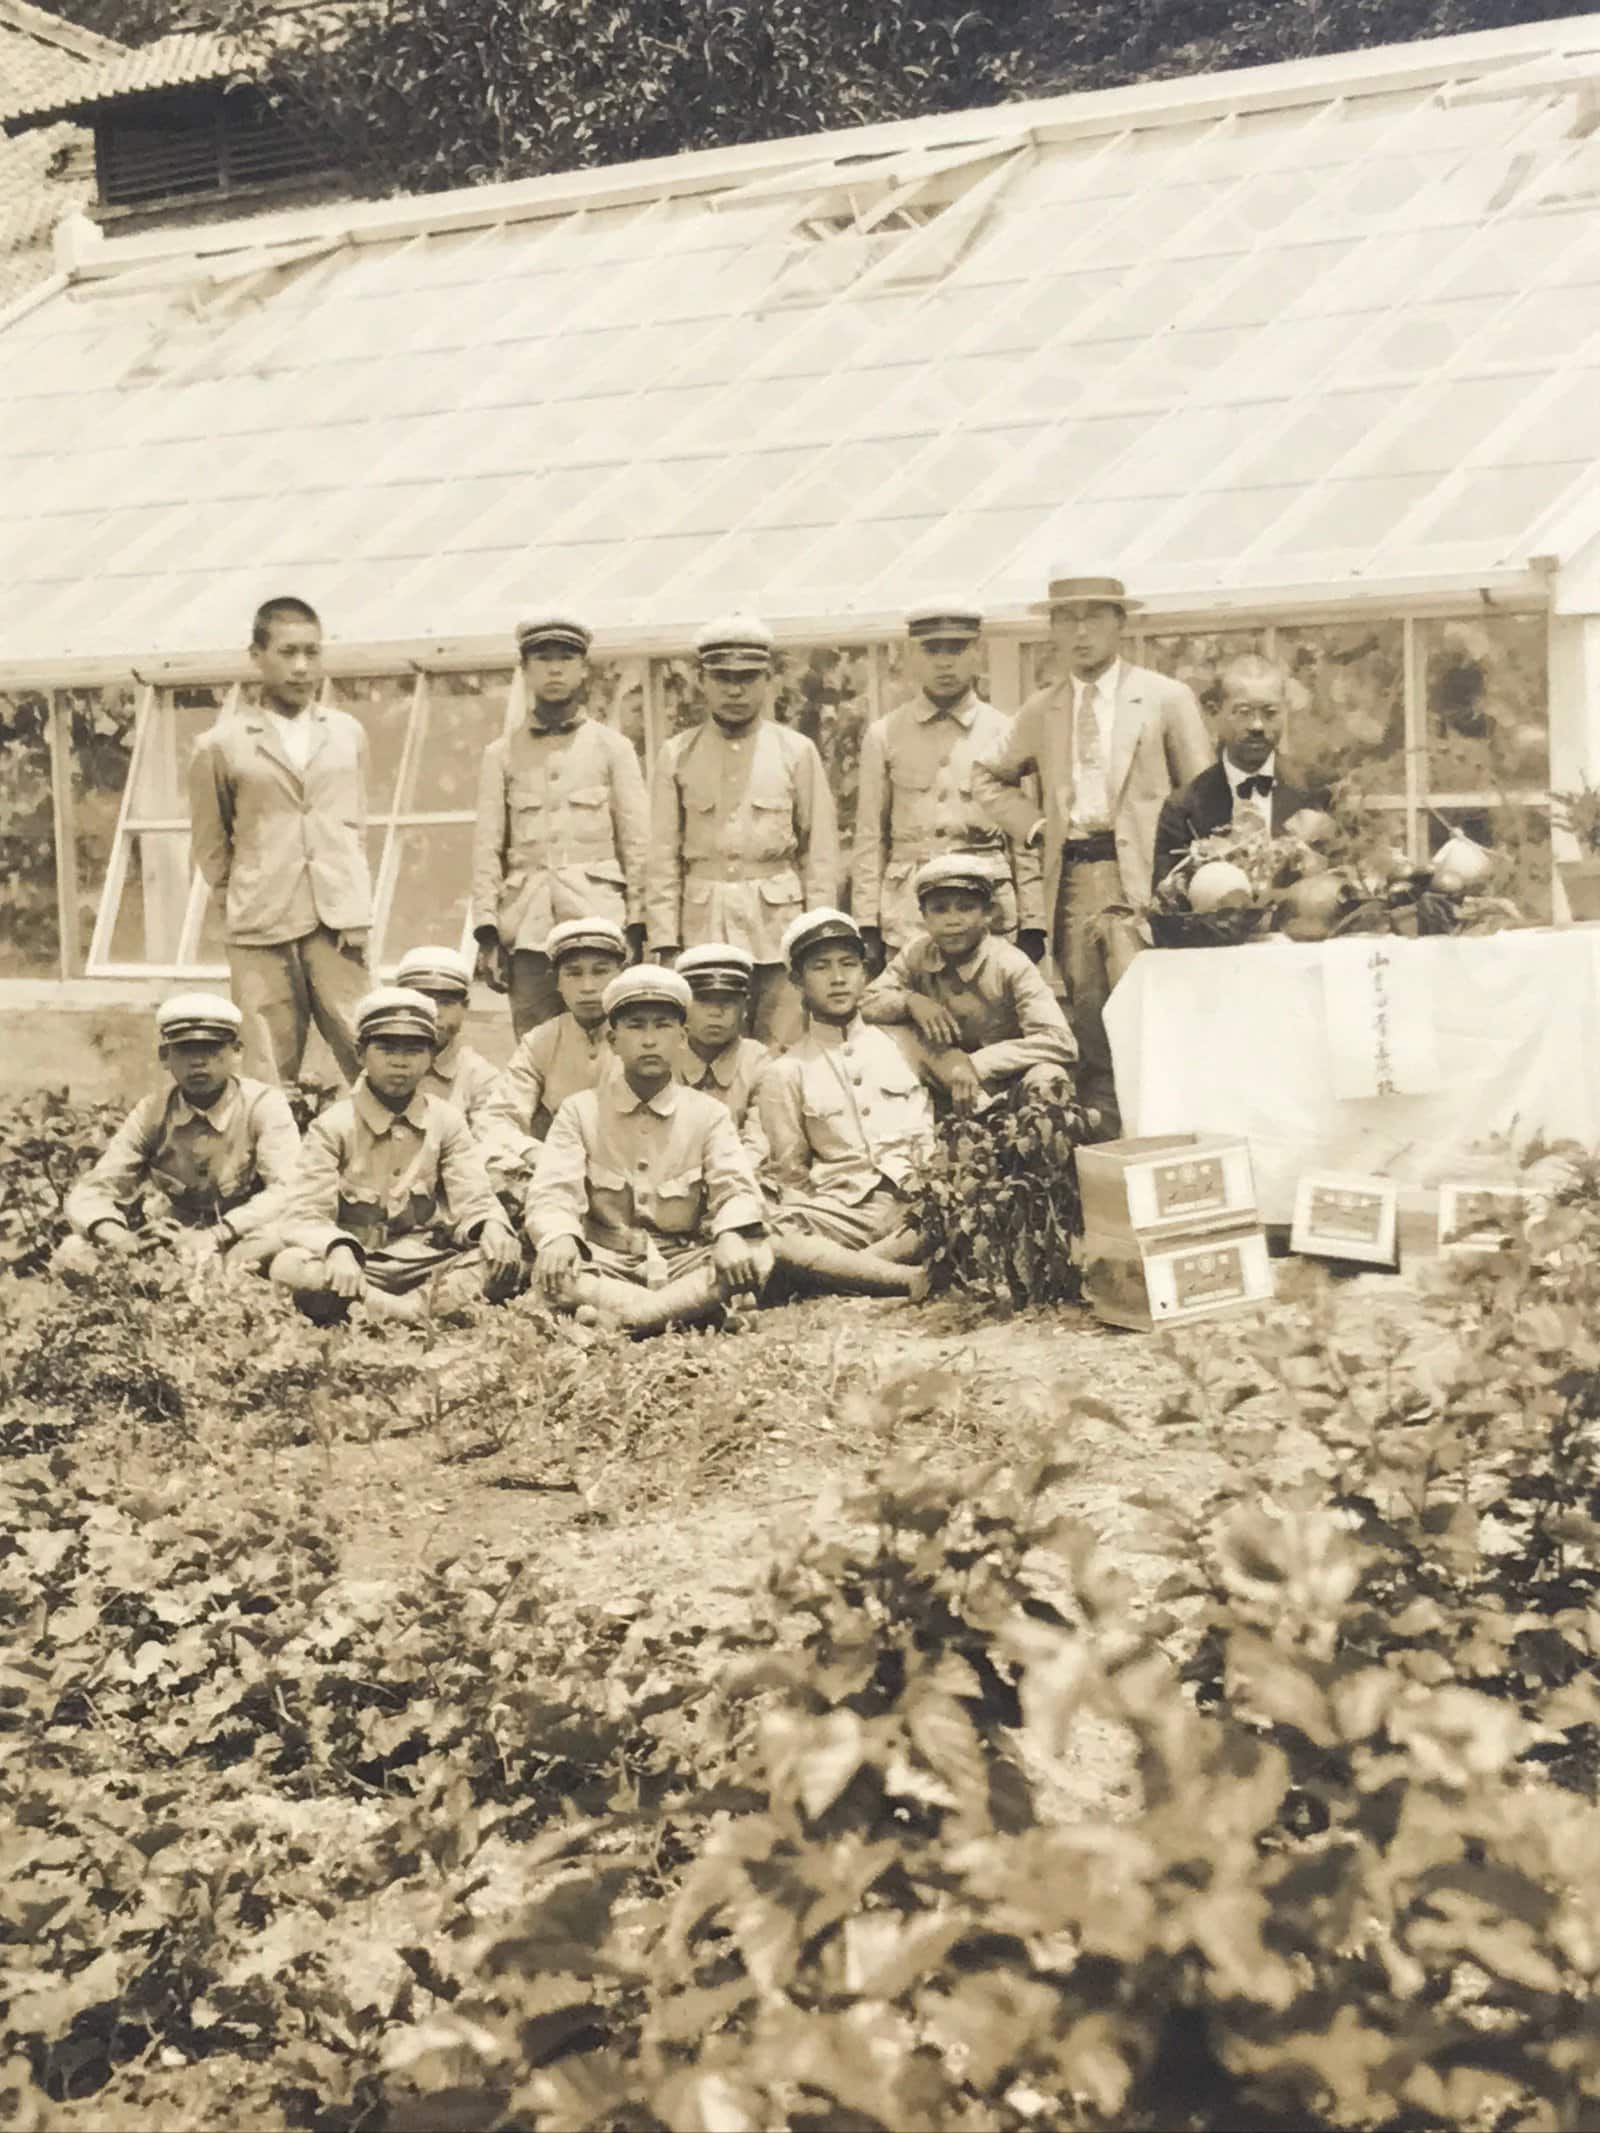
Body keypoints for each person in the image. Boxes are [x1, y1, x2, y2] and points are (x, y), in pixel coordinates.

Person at [972, 573, 1211, 1135]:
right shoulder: (1042, 709)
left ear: (1120, 623)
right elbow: (986, 773)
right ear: (1052, 629)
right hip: (1076, 879)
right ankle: (1107, 1162)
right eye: (1066, 619)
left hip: (1152, 883)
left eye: (1094, 617)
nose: (1080, 632)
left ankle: (1175, 1146)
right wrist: (1033, 827)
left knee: (1158, 1021)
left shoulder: (1164, 698)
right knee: (1094, 1024)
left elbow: (1204, 795)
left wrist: (1186, 883)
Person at [525, 965, 773, 1336]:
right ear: (613, 1041)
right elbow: (552, 1191)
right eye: (636, 1026)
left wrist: (729, 1235)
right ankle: (690, 1313)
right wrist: (559, 1236)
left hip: (683, 1260)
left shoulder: (708, 1114)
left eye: (663, 1026)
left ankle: (618, 1321)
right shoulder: (580, 1111)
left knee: (756, 1255)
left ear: (683, 1038)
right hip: (607, 1262)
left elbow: (735, 1188)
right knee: (554, 1275)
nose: (649, 1040)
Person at [189, 595, 373, 1086]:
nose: (301, 667)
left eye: (312, 653)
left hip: (338, 921)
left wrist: (355, 900)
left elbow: (355, 824)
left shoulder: (347, 733)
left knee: (370, 1053)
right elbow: (211, 843)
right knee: (265, 1069)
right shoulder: (222, 744)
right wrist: (240, 899)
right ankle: (272, 1163)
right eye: (287, 652)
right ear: (257, 656)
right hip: (261, 925)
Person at [268, 987, 522, 1324]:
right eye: (386, 1048)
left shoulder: (446, 1121)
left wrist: (490, 1225)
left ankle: (385, 1312)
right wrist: (338, 1248)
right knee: (291, 1269)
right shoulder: (333, 1126)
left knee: (502, 1259)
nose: (400, 1062)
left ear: (431, 1056)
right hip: (359, 1265)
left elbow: (472, 1196)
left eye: (414, 1050)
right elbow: (305, 1213)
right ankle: (420, 1314)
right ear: (361, 1053)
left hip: (426, 1262)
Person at [647, 613, 839, 1046]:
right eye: (723, 677)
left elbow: (819, 853)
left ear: (767, 680)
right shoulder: (677, 753)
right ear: (702, 680)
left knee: (784, 1046)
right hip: (703, 929)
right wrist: (665, 939)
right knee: (707, 1048)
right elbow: (661, 857)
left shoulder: (796, 751)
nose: (735, 689)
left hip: (780, 931)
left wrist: (815, 936)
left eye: (748, 677)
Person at [471, 615, 648, 1038]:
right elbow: (487, 848)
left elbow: (638, 844)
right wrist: (488, 932)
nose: (554, 669)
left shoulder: (613, 749)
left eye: (566, 659)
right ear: (525, 669)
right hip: (527, 929)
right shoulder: (501, 755)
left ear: (584, 668)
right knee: (533, 1045)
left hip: (598, 921)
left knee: (607, 1041)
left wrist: (640, 925)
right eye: (542, 659)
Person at [853, 599, 1044, 971]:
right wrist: (866, 923)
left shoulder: (1006, 730)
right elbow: (869, 836)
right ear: (911, 657)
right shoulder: (884, 734)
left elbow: (1025, 838)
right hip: (910, 916)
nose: (944, 662)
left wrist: (1034, 921)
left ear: (978, 653)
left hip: (988, 913)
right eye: (931, 650)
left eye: (957, 649)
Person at [754, 910, 935, 1299]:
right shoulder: (785, 1070)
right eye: (820, 968)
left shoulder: (902, 1044)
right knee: (770, 1232)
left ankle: (843, 1273)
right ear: (797, 980)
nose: (838, 979)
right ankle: (901, 1278)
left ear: (865, 974)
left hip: (917, 1204)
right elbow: (792, 1175)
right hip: (844, 1212)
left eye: (849, 965)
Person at [55, 993, 299, 1278]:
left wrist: (218, 1234)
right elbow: (93, 1190)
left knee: (282, 1244)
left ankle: (209, 1282)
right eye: (185, 1050)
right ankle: (173, 1282)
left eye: (211, 1049)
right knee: (71, 1252)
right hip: (176, 1239)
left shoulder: (264, 1105)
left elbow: (288, 1190)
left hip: (243, 1236)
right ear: (164, 1057)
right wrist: (120, 1238)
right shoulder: (152, 1112)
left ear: (237, 1052)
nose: (198, 1062)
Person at [861, 855, 1076, 1110]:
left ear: (988, 913)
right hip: (946, 1076)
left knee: (1049, 1079)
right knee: (884, 1036)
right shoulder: (917, 952)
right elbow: (866, 1002)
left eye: (966, 907)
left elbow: (1060, 1041)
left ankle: (1034, 1144)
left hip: (1008, 1079)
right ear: (924, 916)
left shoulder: (1009, 963)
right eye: (939, 909)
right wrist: (910, 1001)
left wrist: (978, 1064)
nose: (953, 920)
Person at [475, 917, 626, 1192]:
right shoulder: (541, 1041)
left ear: (620, 975)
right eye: (573, 973)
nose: (588, 986)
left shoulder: (647, 1036)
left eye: (601, 971)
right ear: (556, 982)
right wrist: (536, 1154)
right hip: (557, 1177)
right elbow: (496, 1119)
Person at [1152, 653, 1327, 888]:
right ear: (1217, 713)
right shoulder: (1183, 808)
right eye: (1244, 712)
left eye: (1270, 713)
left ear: (1285, 712)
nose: (1257, 725)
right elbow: (1168, 905)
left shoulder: (1318, 790)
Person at [394, 944, 501, 1135]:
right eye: (422, 1001)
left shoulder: (479, 1076)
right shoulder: (373, 1060)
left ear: (465, 1007)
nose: (434, 1012)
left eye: (446, 1003)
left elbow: (492, 1138)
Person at [675, 942, 772, 1131]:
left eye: (727, 1002)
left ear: (745, 1008)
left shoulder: (757, 1061)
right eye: (703, 1001)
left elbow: (760, 1136)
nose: (715, 1013)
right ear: (682, 1007)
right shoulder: (667, 1059)